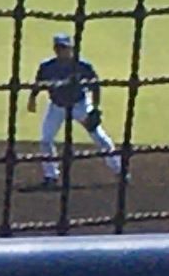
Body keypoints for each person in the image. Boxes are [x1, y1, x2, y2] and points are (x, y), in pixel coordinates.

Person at [30, 31, 126, 187]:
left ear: (71, 48)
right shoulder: (47, 67)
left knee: (100, 137)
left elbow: (95, 86)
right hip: (57, 106)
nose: (60, 51)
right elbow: (39, 84)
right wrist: (32, 98)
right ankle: (51, 176)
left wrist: (94, 107)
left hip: (79, 105)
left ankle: (119, 170)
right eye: (58, 48)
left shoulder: (82, 66)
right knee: (46, 140)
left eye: (64, 47)